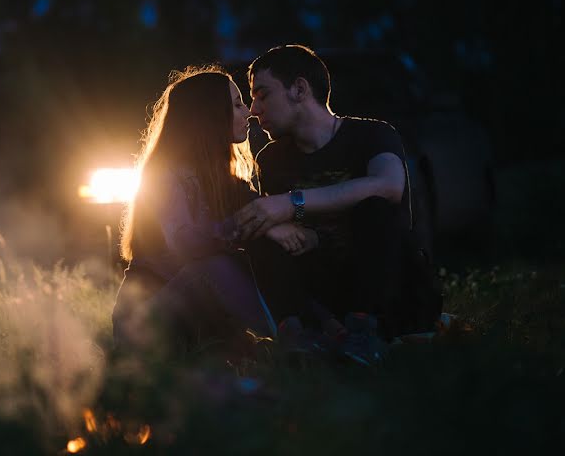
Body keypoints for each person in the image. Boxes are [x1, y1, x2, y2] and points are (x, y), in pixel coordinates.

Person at [235, 44, 442, 353]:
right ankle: (298, 337)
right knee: (263, 230)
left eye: (262, 95)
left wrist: (292, 202)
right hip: (327, 292)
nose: (254, 110)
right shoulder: (273, 159)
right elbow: (294, 234)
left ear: (299, 89)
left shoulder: (372, 135)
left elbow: (388, 186)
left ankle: (364, 332)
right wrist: (287, 223)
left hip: (391, 290)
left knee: (374, 207)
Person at [111, 65, 309, 359]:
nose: (249, 113)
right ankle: (292, 342)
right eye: (238, 104)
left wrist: (297, 222)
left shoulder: (227, 184)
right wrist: (258, 225)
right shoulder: (164, 176)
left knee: (259, 253)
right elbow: (184, 242)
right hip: (144, 320)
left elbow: (266, 215)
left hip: (197, 317)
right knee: (211, 266)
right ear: (210, 115)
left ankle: (322, 330)